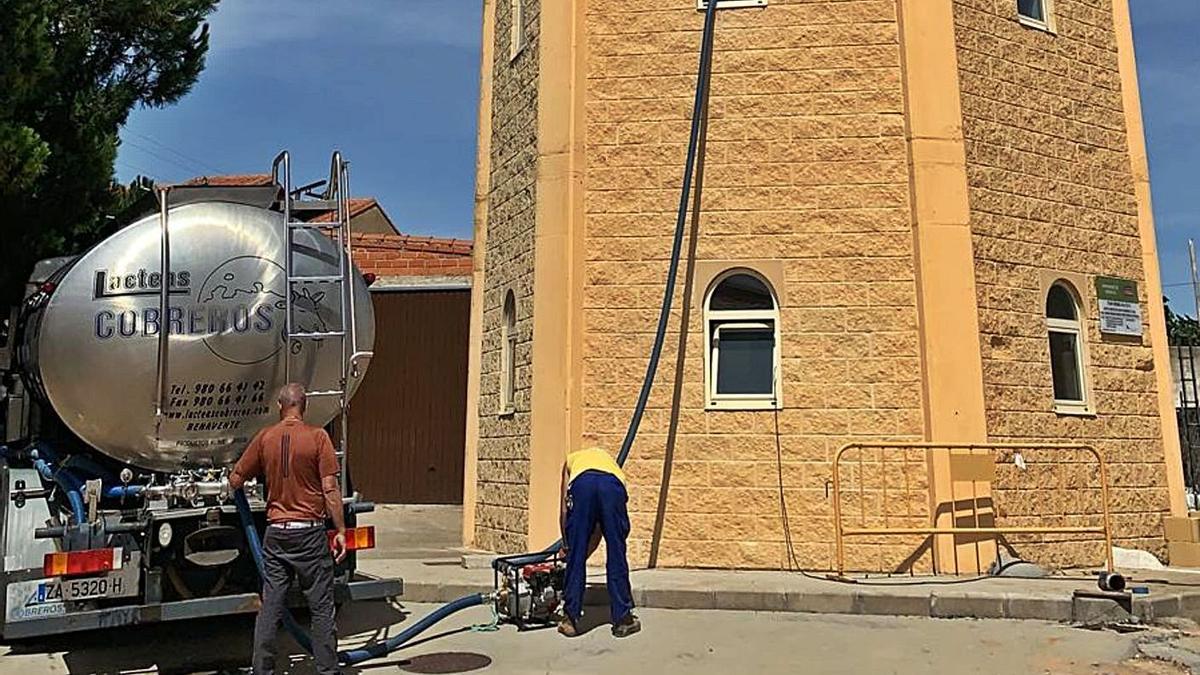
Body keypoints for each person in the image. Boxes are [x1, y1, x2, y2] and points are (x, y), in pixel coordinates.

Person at [230, 383, 347, 675]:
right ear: (304, 407)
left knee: (271, 606)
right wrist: (340, 529)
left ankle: (263, 669)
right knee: (320, 607)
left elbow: (235, 480)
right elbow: (330, 489)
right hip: (309, 533)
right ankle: (327, 670)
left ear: (280, 407)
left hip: (277, 533)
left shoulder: (265, 438)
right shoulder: (318, 437)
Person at [557, 446, 640, 638]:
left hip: (582, 486)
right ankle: (623, 619)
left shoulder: (570, 461)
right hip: (613, 487)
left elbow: (564, 511)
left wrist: (568, 545)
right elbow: (602, 532)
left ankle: (570, 619)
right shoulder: (610, 464)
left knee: (576, 554)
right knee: (616, 552)